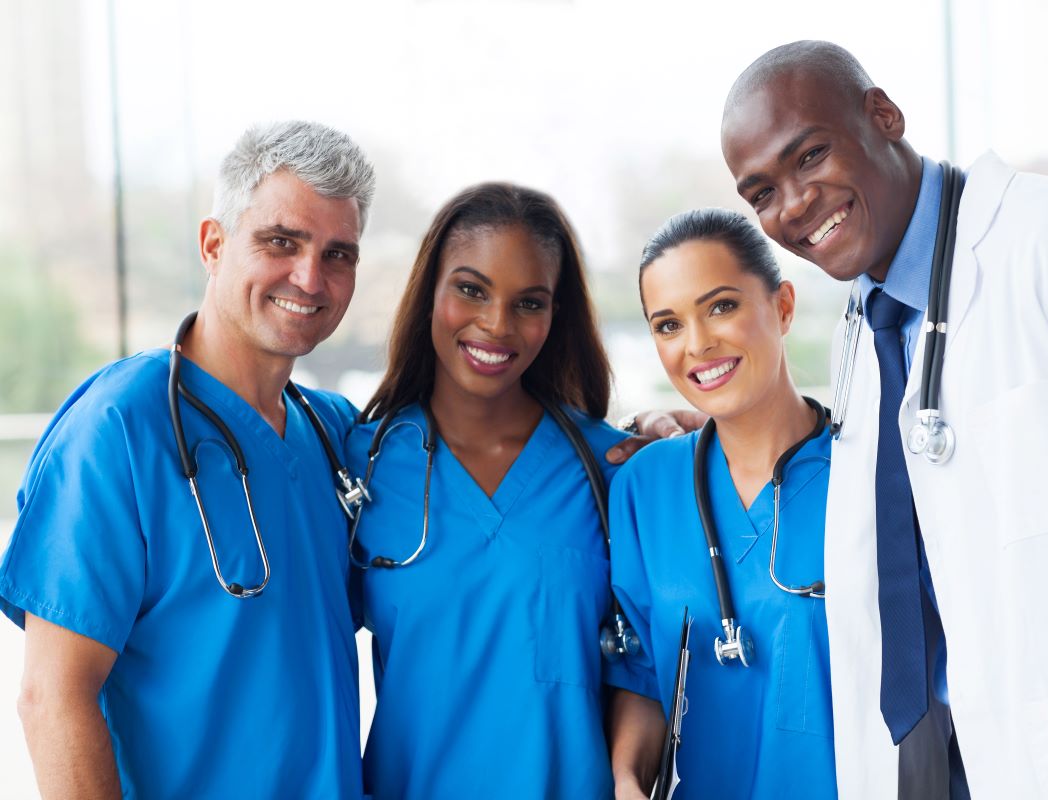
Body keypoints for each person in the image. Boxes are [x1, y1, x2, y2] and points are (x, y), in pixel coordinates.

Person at [720, 40, 1048, 798]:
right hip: (943, 766)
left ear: (883, 115)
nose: (794, 204)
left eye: (809, 156)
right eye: (761, 192)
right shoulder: (870, 325)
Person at [0, 121, 374, 798]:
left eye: (338, 254)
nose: (310, 277)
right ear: (213, 244)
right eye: (281, 242)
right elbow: (51, 701)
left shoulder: (333, 434)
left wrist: (627, 437)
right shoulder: (118, 429)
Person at [345, 182, 647, 799]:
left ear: (554, 315)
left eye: (529, 303)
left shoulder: (613, 469)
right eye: (470, 289)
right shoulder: (360, 466)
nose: (496, 324)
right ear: (430, 290)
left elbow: (644, 665)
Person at [607, 208, 837, 799]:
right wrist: (627, 778)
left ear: (783, 306)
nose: (698, 344)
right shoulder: (644, 486)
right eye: (667, 324)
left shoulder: (870, 476)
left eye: (721, 307)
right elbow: (641, 671)